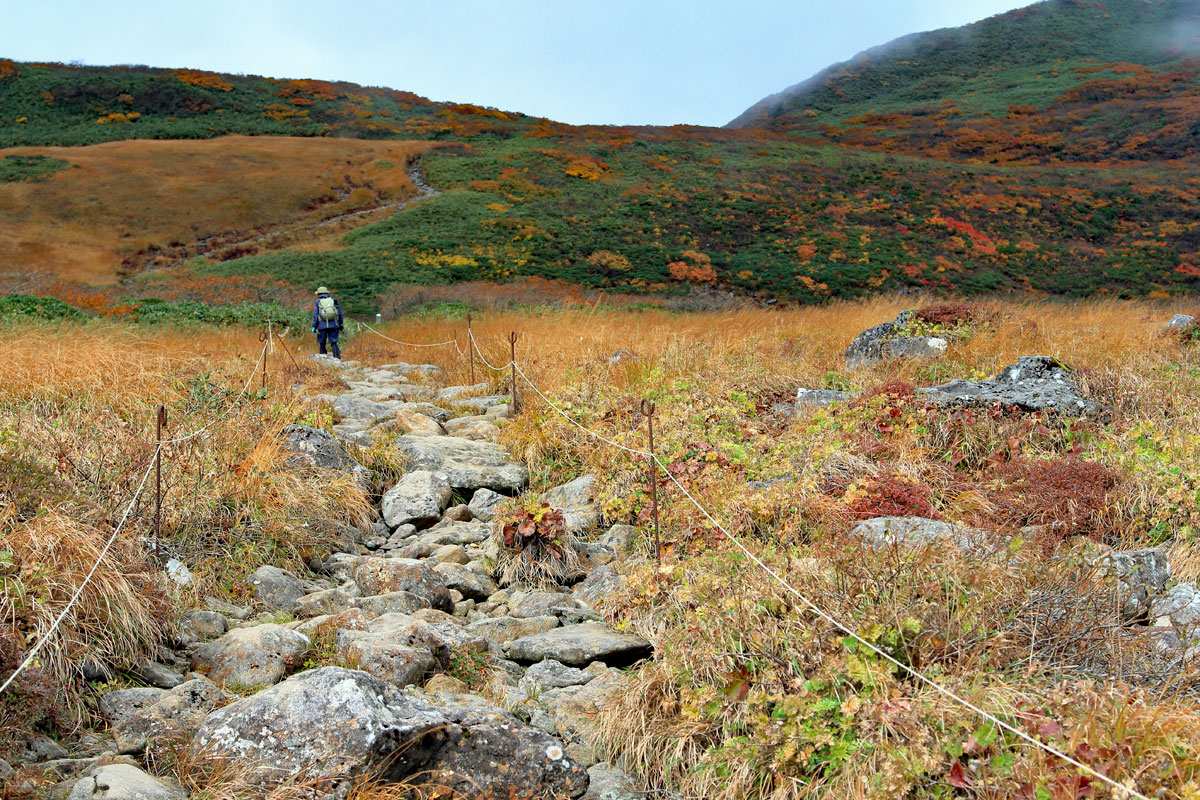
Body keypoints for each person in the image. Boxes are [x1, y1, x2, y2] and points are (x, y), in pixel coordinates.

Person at [312, 286, 343, 359]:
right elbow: (339, 314)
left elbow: (315, 315)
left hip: (322, 326)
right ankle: (337, 358)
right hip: (334, 325)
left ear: (319, 294)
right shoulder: (334, 301)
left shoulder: (318, 302)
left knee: (322, 343)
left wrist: (314, 326)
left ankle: (323, 359)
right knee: (333, 342)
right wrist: (340, 324)